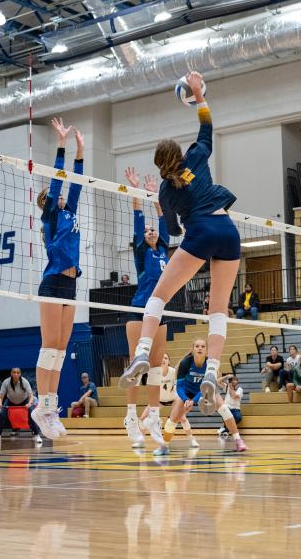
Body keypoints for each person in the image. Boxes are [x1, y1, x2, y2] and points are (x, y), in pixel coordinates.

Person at [120, 71, 241, 419]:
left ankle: (142, 350)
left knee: (157, 297)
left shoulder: (165, 191)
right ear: (178, 154)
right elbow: (207, 130)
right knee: (218, 310)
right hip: (227, 231)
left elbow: (171, 230)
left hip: (200, 233)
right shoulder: (196, 158)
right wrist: (200, 95)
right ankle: (214, 372)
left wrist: (171, 211)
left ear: (159, 167)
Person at [32, 118, 85, 440]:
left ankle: (50, 408)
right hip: (52, 282)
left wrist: (81, 151)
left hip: (71, 283)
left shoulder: (71, 211)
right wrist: (62, 145)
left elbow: (76, 183)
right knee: (49, 347)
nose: (62, 196)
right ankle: (44, 406)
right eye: (55, 197)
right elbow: (57, 182)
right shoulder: (51, 214)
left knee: (62, 349)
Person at [120, 167, 170, 448]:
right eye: (148, 232)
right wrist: (138, 192)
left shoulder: (163, 251)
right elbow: (139, 222)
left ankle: (153, 417)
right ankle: (130, 417)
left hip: (159, 312)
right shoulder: (142, 252)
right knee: (135, 366)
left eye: (153, 231)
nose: (151, 232)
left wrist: (155, 195)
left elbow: (162, 220)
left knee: (155, 368)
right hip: (139, 309)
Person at [157, 339, 245, 454]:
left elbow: (207, 387)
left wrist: (193, 401)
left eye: (203, 346)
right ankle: (164, 446)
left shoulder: (210, 364)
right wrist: (186, 400)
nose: (200, 348)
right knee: (173, 418)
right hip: (186, 391)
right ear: (193, 349)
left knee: (224, 409)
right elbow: (179, 386)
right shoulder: (185, 363)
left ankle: (238, 441)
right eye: (197, 346)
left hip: (205, 390)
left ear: (206, 350)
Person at [0, 367, 43, 445]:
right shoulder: (6, 382)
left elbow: (31, 395)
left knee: (32, 414)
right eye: (14, 372)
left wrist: (29, 403)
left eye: (17, 373)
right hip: (10, 401)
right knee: (1, 414)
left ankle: (37, 435)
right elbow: (0, 396)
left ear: (20, 374)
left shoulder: (25, 382)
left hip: (24, 400)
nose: (16, 374)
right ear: (11, 374)